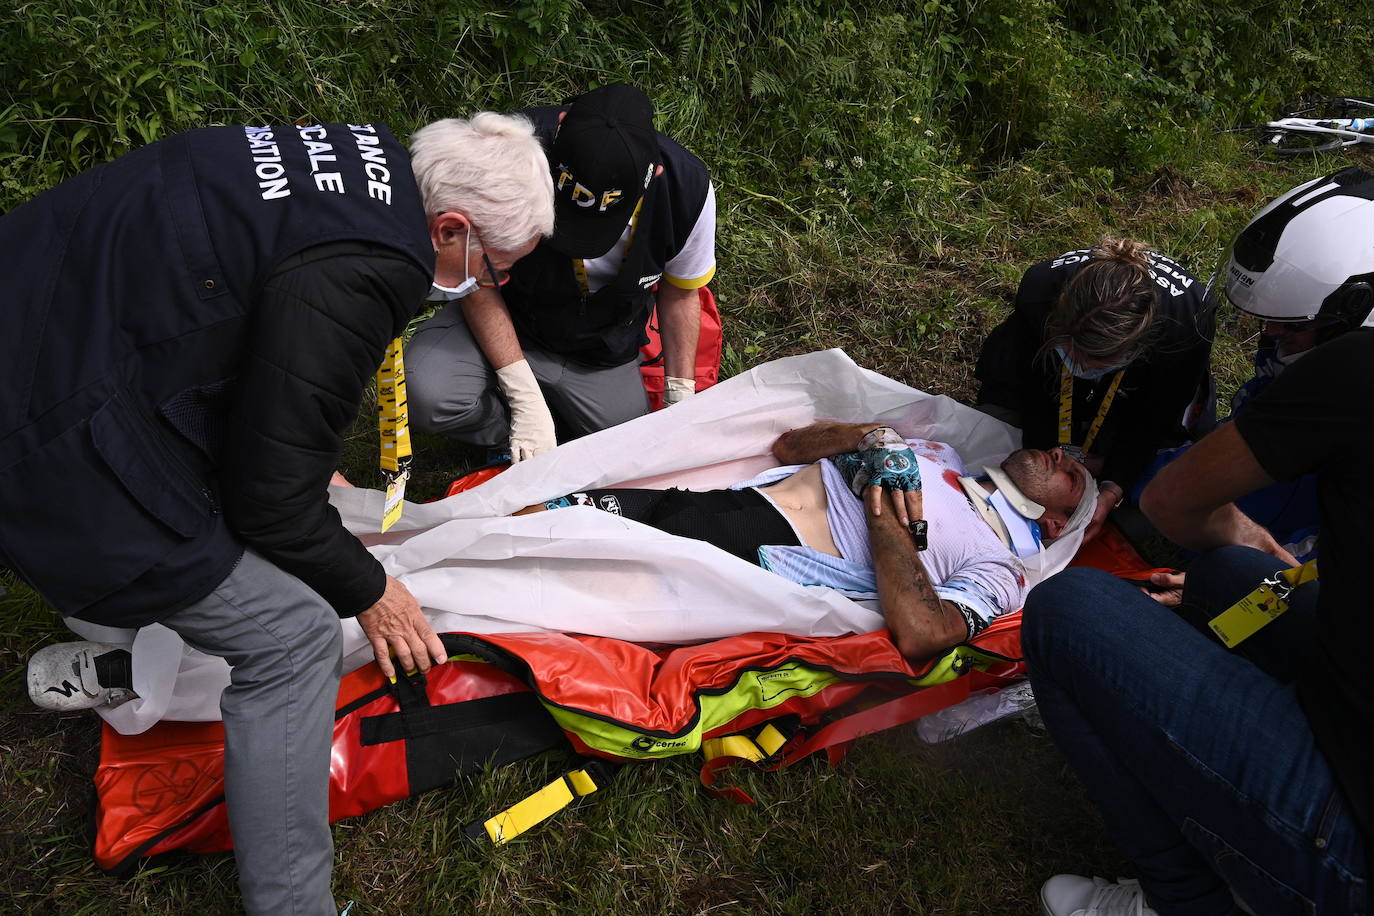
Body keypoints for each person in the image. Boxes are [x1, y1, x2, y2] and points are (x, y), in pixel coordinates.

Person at [4, 113, 554, 914]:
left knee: (239, 542)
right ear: (451, 229)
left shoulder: (350, 156)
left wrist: (284, 437)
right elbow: (270, 504)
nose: (489, 286)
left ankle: (125, 648)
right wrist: (370, 589)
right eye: (494, 269)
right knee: (293, 637)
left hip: (46, 317)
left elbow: (221, 308)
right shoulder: (371, 268)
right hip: (47, 432)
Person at [1024, 177, 1374, 915]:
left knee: (1069, 610)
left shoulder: (1355, 371)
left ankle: (1184, 899)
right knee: (1226, 579)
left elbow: (1174, 502)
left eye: (1290, 330)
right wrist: (1257, 577)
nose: (1273, 344)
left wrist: (1242, 534)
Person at [520, 420, 1092, 662]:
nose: (1060, 456)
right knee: (538, 518)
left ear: (1056, 523)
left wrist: (880, 508)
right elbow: (792, 445)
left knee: (539, 557)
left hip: (767, 550)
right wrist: (869, 437)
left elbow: (926, 634)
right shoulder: (943, 455)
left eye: (1072, 477)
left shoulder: (1003, 570)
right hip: (722, 504)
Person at [406, 83, 716, 461]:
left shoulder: (688, 190)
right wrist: (523, 397)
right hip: (510, 320)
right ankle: (503, 436)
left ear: (654, 175)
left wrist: (679, 395)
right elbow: (477, 273)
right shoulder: (515, 148)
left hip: (600, 350)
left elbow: (681, 292)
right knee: (427, 391)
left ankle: (558, 428)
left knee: (624, 456)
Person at [1132, 165, 1374, 563]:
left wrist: (1261, 579)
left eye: (1292, 325)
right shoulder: (1312, 357)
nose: (1271, 333)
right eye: (1266, 321)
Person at [975, 238, 1214, 541]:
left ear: (1138, 346)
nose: (1080, 364)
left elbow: (1156, 416)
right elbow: (1033, 386)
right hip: (1043, 357)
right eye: (1067, 346)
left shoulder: (1185, 327)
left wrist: (1114, 486)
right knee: (996, 420)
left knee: (1154, 485)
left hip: (1154, 378)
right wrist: (1046, 445)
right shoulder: (1040, 289)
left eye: (1096, 359)